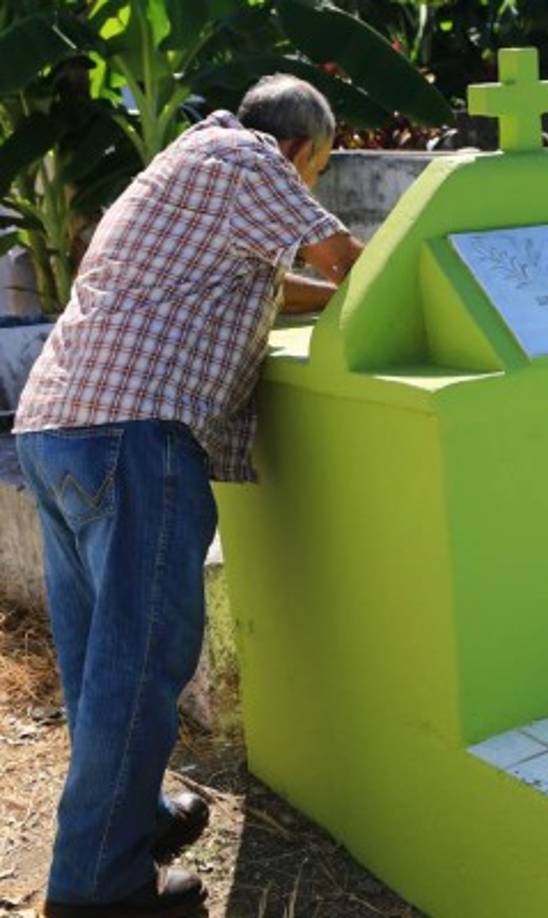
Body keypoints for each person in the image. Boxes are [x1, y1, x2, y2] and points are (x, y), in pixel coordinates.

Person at [14, 74, 363, 917]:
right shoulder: (249, 159)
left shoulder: (188, 168)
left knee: (104, 662)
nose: (304, 188)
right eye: (312, 173)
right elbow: (346, 264)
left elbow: (285, 288)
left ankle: (129, 817)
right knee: (139, 668)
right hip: (133, 436)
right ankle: (97, 889)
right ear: (301, 151)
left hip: (59, 426)